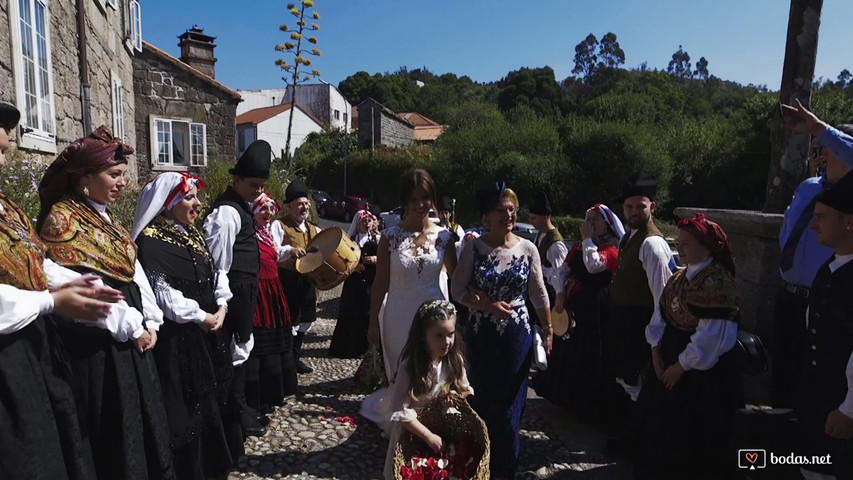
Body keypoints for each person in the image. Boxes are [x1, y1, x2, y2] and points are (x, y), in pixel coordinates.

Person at [37, 125, 175, 479]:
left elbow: (130, 267)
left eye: (123, 175)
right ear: (85, 176)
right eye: (114, 175)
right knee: (112, 429)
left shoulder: (101, 214)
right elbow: (81, 287)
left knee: (140, 420)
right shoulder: (62, 220)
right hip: (98, 344)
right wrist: (129, 326)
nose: (121, 183)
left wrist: (151, 319)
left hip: (129, 335)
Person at [0, 102, 122, 479]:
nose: (4, 164)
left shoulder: (8, 209)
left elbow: (34, 258)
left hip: (31, 349)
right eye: (0, 152)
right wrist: (52, 301)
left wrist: (74, 283)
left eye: (5, 152)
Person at [131, 172, 237, 479]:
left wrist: (222, 305)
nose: (197, 203)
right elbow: (161, 294)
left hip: (209, 332)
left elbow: (217, 272)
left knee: (211, 404)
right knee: (187, 410)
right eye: (189, 197)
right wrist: (200, 317)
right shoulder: (150, 242)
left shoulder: (192, 234)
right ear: (169, 203)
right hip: (180, 341)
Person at [451, 181, 552, 479]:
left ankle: (506, 466)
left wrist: (547, 328)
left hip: (515, 339)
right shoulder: (475, 247)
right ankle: (478, 463)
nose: (508, 215)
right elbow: (456, 289)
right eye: (501, 210)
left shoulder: (528, 248)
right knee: (481, 401)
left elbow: (539, 293)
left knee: (510, 406)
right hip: (480, 337)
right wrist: (485, 306)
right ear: (487, 216)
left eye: (512, 209)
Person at [634, 212, 742, 480]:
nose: (679, 248)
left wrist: (679, 368)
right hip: (670, 357)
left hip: (702, 373)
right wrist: (656, 351)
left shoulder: (717, 282)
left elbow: (712, 338)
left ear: (707, 247)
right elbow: (660, 315)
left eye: (687, 243)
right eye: (678, 242)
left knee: (697, 435)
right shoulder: (679, 277)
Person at [362, 169, 457, 429]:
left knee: (433, 374)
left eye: (425, 198)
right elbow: (380, 283)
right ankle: (402, 427)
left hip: (434, 320)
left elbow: (458, 279)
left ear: (432, 199)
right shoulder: (389, 237)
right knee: (402, 373)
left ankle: (429, 426)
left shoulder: (445, 237)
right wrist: (373, 322)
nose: (419, 205)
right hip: (398, 316)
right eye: (413, 199)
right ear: (405, 200)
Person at [774, 100, 853, 407]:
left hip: (830, 304)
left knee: (821, 385)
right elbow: (788, 230)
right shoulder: (809, 187)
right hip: (789, 296)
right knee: (784, 375)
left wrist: (822, 129)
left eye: (832, 150)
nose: (825, 155)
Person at [203, 139, 272, 439]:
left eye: (261, 185)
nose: (258, 190)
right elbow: (218, 265)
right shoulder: (226, 213)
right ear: (237, 179)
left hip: (244, 294)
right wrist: (224, 302)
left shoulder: (241, 208)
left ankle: (240, 409)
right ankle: (234, 415)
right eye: (253, 184)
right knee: (234, 352)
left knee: (244, 349)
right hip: (231, 297)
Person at [533, 203, 623, 423]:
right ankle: (566, 398)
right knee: (569, 351)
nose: (590, 224)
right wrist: (561, 292)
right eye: (588, 220)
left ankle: (588, 405)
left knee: (590, 353)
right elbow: (562, 269)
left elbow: (593, 266)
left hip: (596, 309)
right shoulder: (582, 246)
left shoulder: (610, 249)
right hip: (575, 304)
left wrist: (587, 240)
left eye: (596, 220)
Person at [797, 171, 853, 479]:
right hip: (820, 401)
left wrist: (849, 409)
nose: (813, 223)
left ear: (848, 222)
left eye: (821, 217)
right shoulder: (830, 267)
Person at [383, 300, 473, 480]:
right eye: (439, 336)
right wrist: (427, 435)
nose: (447, 342)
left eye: (451, 334)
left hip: (442, 428)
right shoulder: (410, 367)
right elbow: (400, 409)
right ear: (423, 335)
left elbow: (465, 388)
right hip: (414, 431)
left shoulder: (454, 361)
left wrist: (455, 395)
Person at [608, 172, 673, 403]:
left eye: (640, 206)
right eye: (629, 206)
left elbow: (662, 298)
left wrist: (656, 345)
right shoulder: (629, 237)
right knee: (626, 385)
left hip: (641, 328)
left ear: (652, 207)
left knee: (641, 392)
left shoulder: (653, 245)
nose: (634, 211)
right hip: (625, 326)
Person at [247, 192, 298, 410]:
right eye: (263, 209)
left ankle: (275, 391)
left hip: (273, 290)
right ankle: (259, 397)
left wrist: (291, 250)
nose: (268, 213)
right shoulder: (249, 235)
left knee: (278, 341)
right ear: (253, 211)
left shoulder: (267, 234)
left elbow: (276, 253)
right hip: (260, 293)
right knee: (262, 344)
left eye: (270, 209)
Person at [276, 178, 321, 375]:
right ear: (289, 207)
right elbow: (274, 251)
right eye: (298, 204)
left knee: (306, 318)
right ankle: (287, 360)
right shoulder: (280, 225)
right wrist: (289, 250)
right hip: (287, 279)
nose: (303, 207)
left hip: (307, 280)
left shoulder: (313, 228)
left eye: (305, 203)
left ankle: (295, 356)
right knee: (290, 320)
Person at [329, 209, 380, 358]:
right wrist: (353, 267)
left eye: (369, 220)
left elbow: (385, 257)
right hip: (353, 281)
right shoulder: (351, 239)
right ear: (358, 223)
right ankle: (346, 348)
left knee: (366, 313)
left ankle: (363, 348)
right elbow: (342, 259)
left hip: (370, 280)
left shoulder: (377, 239)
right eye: (364, 220)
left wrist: (375, 260)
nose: (367, 223)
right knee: (350, 312)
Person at [528, 191, 569, 305]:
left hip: (550, 297)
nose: (531, 222)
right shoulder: (540, 234)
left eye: (534, 218)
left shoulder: (555, 244)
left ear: (546, 217)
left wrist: (559, 296)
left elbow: (561, 273)